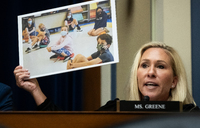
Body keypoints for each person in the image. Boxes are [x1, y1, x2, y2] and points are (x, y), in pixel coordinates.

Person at [13, 42, 199, 112]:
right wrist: (36, 90)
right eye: (144, 65)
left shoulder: (192, 117)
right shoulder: (116, 109)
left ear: (174, 81)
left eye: (160, 66)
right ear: (137, 74)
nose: (150, 72)